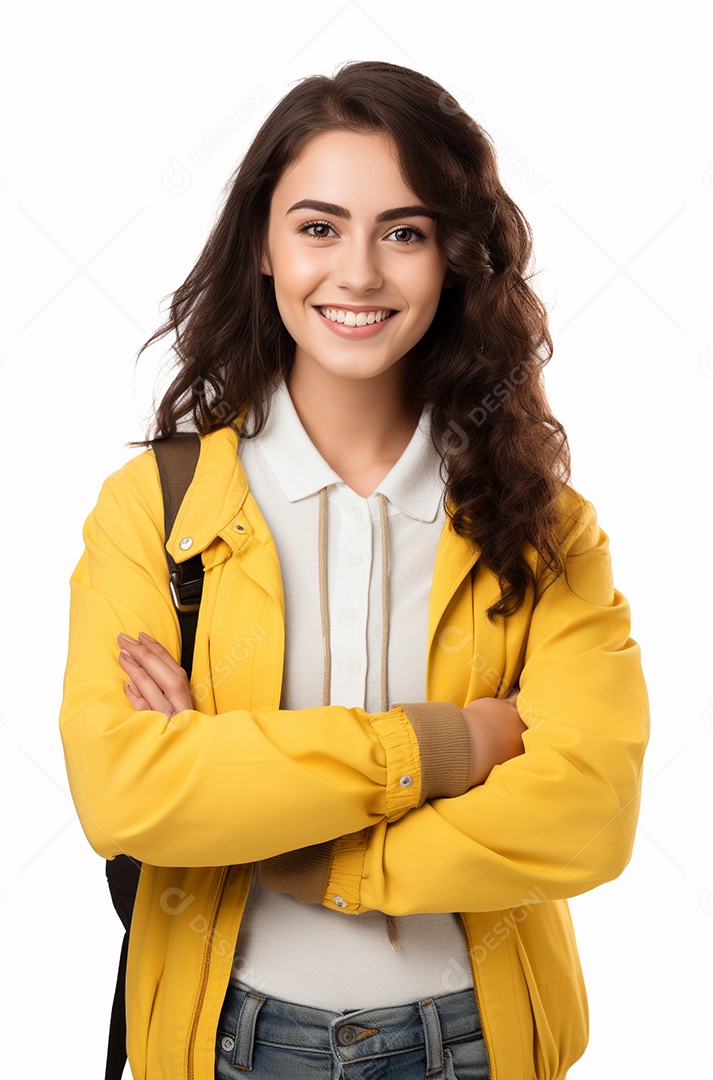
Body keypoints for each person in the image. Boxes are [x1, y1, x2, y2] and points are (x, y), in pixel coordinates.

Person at [59, 60, 650, 1080]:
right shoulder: (152, 512)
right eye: (319, 227)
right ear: (263, 244)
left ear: (456, 259)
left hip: (474, 1041)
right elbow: (125, 794)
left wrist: (308, 848)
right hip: (227, 1044)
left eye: (406, 232)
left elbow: (590, 810)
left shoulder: (547, 527)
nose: (361, 274)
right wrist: (448, 743)